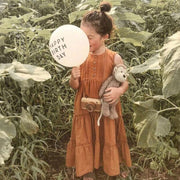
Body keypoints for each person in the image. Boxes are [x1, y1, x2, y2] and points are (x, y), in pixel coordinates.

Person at [66, 2, 132, 180]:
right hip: (84, 109)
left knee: (107, 135)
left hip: (106, 109)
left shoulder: (114, 57)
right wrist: (74, 77)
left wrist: (119, 92)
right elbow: (75, 86)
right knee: (85, 136)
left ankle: (109, 167)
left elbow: (124, 82)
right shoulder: (79, 56)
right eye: (82, 36)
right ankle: (87, 170)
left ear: (105, 36)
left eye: (90, 37)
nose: (85, 41)